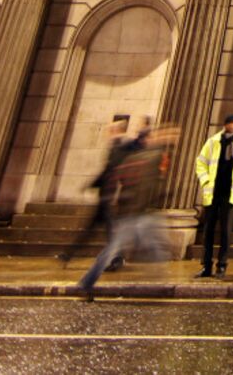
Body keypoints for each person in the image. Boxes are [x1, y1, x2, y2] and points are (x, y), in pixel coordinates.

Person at [77, 125, 177, 298]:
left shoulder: (141, 157)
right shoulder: (153, 156)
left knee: (153, 245)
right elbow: (130, 180)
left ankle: (159, 280)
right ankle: (87, 281)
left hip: (138, 211)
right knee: (125, 248)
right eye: (169, 136)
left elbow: (123, 179)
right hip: (134, 212)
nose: (172, 139)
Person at [58, 117, 138, 263]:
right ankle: (70, 254)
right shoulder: (116, 146)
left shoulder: (121, 147)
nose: (107, 133)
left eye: (111, 130)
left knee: (105, 229)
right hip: (105, 194)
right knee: (95, 229)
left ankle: (116, 257)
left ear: (117, 131)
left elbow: (114, 170)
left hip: (109, 194)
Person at [193, 113, 233, 278]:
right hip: (212, 192)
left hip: (230, 192)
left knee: (226, 231)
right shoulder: (213, 142)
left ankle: (222, 265)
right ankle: (206, 265)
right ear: (225, 124)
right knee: (209, 231)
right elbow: (201, 162)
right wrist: (205, 181)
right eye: (230, 123)